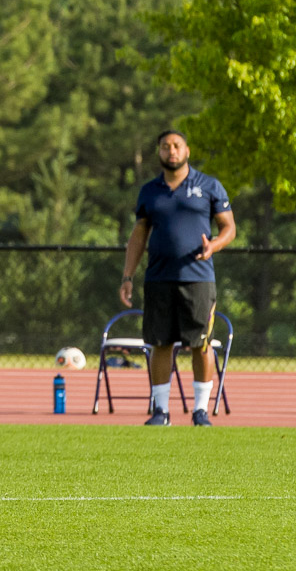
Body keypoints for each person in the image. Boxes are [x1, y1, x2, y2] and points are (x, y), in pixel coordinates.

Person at [119, 130, 235, 427]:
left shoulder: (209, 186)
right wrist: (127, 276)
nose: (171, 151)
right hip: (158, 279)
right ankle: (161, 412)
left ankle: (200, 412)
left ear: (187, 150)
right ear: (158, 152)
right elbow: (139, 234)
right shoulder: (150, 191)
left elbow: (229, 229)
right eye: (165, 146)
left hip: (198, 279)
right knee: (160, 343)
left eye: (177, 146)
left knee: (200, 343)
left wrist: (214, 245)